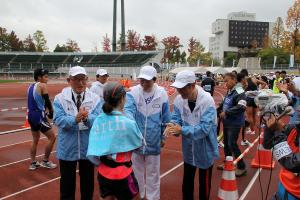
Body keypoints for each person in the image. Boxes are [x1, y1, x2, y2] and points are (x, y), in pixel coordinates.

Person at [165, 70, 219, 200]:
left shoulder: (207, 101)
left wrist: (182, 130)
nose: (180, 91)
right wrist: (172, 125)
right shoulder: (179, 99)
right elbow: (176, 117)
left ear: (193, 85)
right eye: (178, 88)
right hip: (189, 148)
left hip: (205, 149)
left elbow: (205, 129)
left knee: (204, 185)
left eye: (183, 88)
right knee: (187, 182)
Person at [87, 82, 143, 200]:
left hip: (103, 173)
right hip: (124, 173)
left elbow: (92, 153)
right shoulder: (128, 122)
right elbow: (140, 145)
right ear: (122, 99)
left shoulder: (98, 121)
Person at [53, 66, 102, 200]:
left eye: (83, 79)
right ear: (69, 80)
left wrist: (87, 118)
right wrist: (74, 119)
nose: (80, 83)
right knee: (67, 185)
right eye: (76, 79)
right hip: (67, 147)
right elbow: (58, 119)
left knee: (88, 185)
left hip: (88, 148)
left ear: (87, 80)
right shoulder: (60, 98)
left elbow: (98, 119)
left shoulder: (95, 98)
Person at [124, 65, 171, 200]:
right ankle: (138, 195)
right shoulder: (132, 92)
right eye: (141, 80)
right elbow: (128, 111)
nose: (143, 83)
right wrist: (132, 129)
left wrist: (163, 136)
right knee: (135, 172)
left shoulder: (162, 94)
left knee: (153, 174)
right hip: (135, 141)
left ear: (155, 79)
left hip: (154, 140)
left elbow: (166, 118)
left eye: (147, 80)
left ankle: (152, 198)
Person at [263, 111, 300, 199]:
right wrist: (269, 125)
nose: (298, 109)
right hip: (283, 187)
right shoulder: (295, 128)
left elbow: (293, 164)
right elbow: (267, 144)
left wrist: (277, 131)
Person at [218, 73, 247, 177]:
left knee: (232, 144)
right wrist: (219, 108)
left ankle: (241, 166)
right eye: (224, 81)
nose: (225, 83)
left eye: (227, 81)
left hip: (234, 123)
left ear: (234, 80)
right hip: (227, 122)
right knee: (226, 143)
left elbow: (241, 106)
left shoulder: (239, 91)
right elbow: (226, 102)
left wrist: (226, 112)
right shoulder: (230, 91)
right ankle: (228, 162)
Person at [27, 68, 57, 170]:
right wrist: (51, 112)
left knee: (35, 139)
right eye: (45, 77)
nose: (47, 79)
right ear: (39, 77)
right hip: (38, 116)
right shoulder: (42, 85)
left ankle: (33, 163)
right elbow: (47, 100)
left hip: (30, 115)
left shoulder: (30, 86)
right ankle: (45, 161)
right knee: (52, 137)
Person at [240, 69, 266, 135]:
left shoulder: (243, 80)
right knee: (254, 116)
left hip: (248, 99)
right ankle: (253, 129)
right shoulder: (253, 78)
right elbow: (264, 83)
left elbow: (241, 90)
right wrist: (258, 91)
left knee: (249, 116)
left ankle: (252, 130)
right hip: (255, 99)